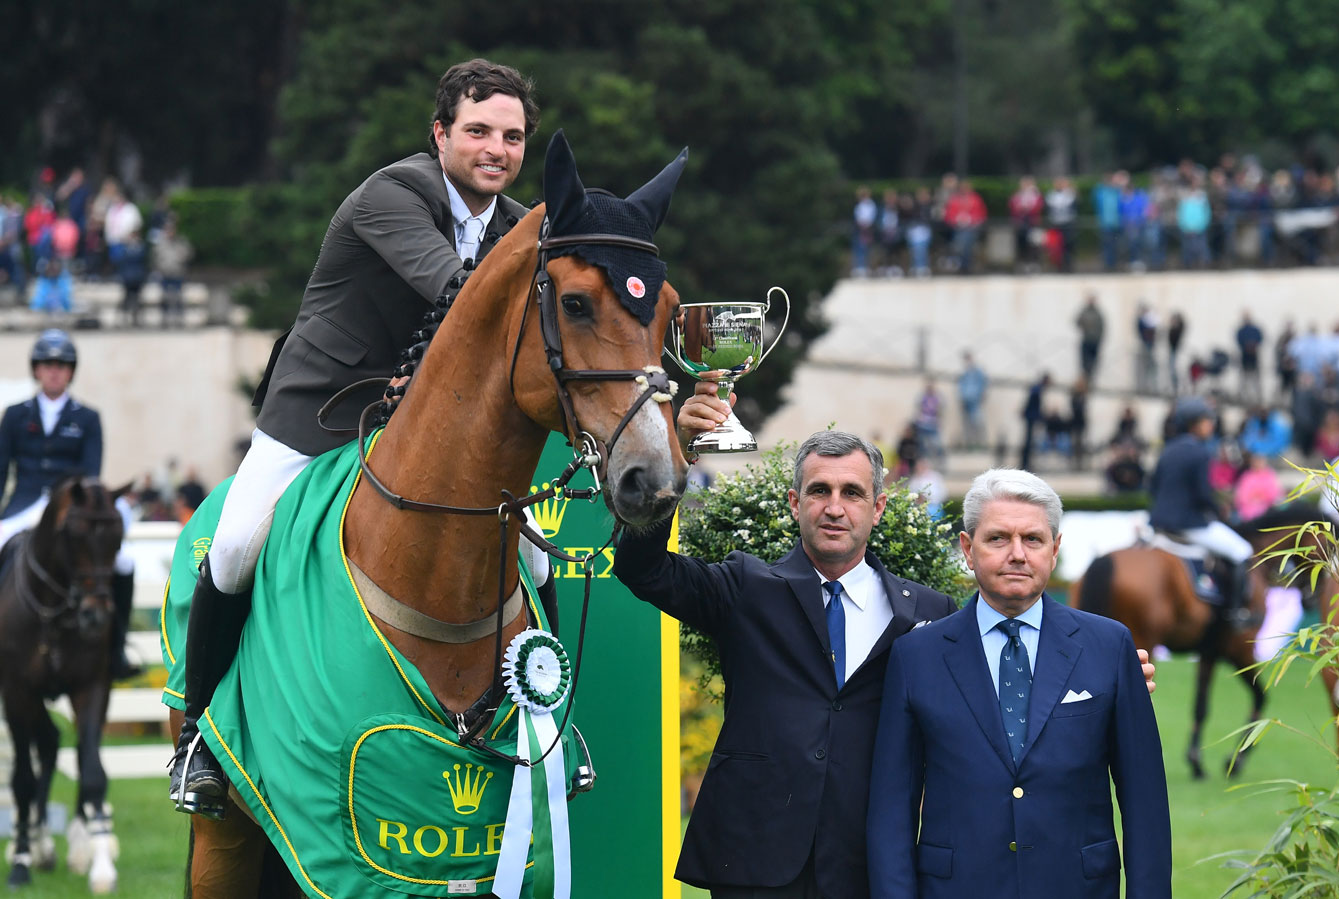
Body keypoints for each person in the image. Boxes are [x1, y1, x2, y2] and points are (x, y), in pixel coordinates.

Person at [169, 59, 542, 817]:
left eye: (512, 135)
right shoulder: (392, 193)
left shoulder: (516, 225)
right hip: (323, 406)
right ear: (439, 135)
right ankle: (200, 739)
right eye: (477, 131)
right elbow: (460, 297)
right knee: (238, 543)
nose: (496, 148)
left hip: (428, 428)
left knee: (533, 553)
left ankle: (540, 726)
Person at [616, 386, 1156, 898]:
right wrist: (674, 451)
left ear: (876, 508)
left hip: (863, 864)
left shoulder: (926, 612)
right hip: (754, 854)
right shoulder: (745, 587)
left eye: (852, 493)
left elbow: (998, 697)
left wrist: (1108, 679)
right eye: (819, 491)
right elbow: (645, 570)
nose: (834, 507)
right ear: (793, 503)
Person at [867, 468, 1170, 899]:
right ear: (968, 550)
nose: (1017, 554)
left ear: (1055, 549)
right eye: (998, 539)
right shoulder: (917, 656)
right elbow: (891, 811)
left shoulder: (1109, 645)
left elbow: (1146, 803)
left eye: (1032, 539)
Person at [0, 330, 135, 678]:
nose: (54, 371)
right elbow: (2, 471)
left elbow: (90, 475)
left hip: (69, 508)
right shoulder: (15, 415)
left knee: (125, 561)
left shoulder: (87, 418)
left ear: (70, 371)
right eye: (47, 365)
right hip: (25, 504)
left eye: (61, 365)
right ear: (37, 370)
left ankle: (116, 648)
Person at [1147, 397, 1253, 609]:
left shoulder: (1167, 449)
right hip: (1188, 524)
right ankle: (1235, 611)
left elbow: (1152, 488)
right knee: (1243, 551)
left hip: (1159, 524)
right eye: (1207, 420)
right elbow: (1203, 495)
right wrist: (1220, 511)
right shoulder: (1199, 451)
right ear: (1194, 423)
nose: (1211, 425)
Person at [956, 351, 987, 449]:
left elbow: (983, 384)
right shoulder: (964, 373)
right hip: (966, 401)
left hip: (975, 401)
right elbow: (961, 386)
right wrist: (961, 397)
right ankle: (969, 443)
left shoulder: (978, 372)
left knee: (977, 421)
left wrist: (980, 395)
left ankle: (980, 443)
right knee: (967, 423)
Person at [1076, 294, 1105, 384]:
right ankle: (1085, 378)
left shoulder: (1098, 313)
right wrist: (1085, 327)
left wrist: (1099, 338)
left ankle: (1090, 378)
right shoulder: (1084, 312)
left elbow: (1102, 327)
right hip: (1087, 340)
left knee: (1093, 362)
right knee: (1084, 361)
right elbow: (1078, 322)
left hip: (1095, 341)